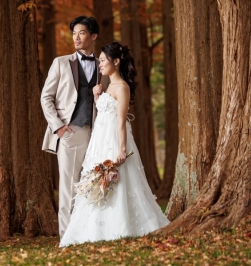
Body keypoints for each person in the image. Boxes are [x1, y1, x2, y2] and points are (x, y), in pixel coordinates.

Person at [59, 41, 169, 247]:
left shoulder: (122, 88)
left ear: (116, 62)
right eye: (99, 60)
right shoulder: (108, 86)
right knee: (97, 179)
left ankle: (121, 225)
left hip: (113, 139)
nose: (100, 64)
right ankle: (95, 228)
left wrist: (122, 148)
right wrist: (97, 97)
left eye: (103, 60)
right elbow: (104, 113)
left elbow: (120, 121)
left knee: (118, 180)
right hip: (100, 139)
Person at [41, 16, 109, 238]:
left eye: (81, 33)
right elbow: (46, 97)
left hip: (96, 133)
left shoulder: (102, 65)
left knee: (93, 184)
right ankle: (67, 236)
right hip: (70, 131)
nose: (76, 37)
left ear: (93, 36)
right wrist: (58, 127)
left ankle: (89, 233)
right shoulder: (61, 63)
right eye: (74, 33)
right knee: (69, 186)